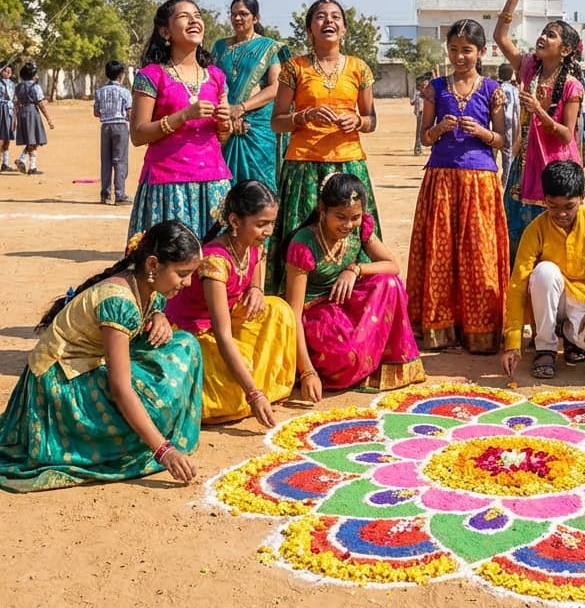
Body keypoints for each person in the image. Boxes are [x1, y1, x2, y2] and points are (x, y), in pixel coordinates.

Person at [0, 221, 204, 492]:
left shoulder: (144, 286)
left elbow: (150, 312)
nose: (188, 283)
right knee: (152, 403)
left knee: (186, 344)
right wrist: (163, 450)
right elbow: (121, 389)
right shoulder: (118, 302)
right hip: (61, 386)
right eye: (183, 274)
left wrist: (159, 315)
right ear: (153, 265)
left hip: (89, 367)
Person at [407, 21, 508, 353]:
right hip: (441, 178)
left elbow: (502, 140)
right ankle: (440, 328)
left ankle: (480, 330)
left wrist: (481, 132)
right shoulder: (435, 88)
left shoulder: (492, 89)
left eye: (467, 50)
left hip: (480, 180)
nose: (459, 56)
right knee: (440, 252)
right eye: (453, 50)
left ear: (481, 52)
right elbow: (425, 136)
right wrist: (439, 130)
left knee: (479, 254)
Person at [268, 0, 378, 293]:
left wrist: (358, 121)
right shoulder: (294, 68)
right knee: (301, 236)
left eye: (335, 17)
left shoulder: (359, 68)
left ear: (344, 28)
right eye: (320, 16)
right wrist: (304, 116)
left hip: (348, 163)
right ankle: (297, 301)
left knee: (352, 232)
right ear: (309, 29)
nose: (328, 21)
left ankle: (353, 295)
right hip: (304, 165)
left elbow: (371, 120)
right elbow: (277, 121)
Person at [165, 180, 296, 425]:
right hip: (199, 332)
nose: (268, 231)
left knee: (279, 310)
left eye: (271, 223)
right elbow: (222, 334)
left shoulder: (252, 242)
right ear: (235, 222)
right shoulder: (215, 261)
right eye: (261, 224)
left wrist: (256, 288)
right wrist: (253, 393)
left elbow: (257, 260)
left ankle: (259, 384)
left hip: (229, 315)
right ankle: (252, 389)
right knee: (232, 389)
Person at [285, 173, 425, 398]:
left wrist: (355, 269)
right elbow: (293, 311)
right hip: (316, 316)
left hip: (345, 303)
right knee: (346, 354)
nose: (348, 225)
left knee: (390, 284)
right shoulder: (303, 245)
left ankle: (384, 361)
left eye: (355, 217)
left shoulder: (360, 230)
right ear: (323, 209)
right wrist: (307, 371)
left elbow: (392, 266)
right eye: (340, 217)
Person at [493, 0, 584, 260]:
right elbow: (500, 37)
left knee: (550, 243)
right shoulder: (528, 68)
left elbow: (567, 135)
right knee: (514, 236)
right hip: (524, 165)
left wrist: (539, 111)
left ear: (565, 50)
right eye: (543, 32)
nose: (542, 37)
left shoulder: (572, 86)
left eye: (551, 35)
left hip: (554, 170)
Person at [128, 0, 233, 240]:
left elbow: (222, 137)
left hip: (214, 183)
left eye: (197, 16)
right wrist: (184, 115)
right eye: (184, 16)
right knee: (171, 257)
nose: (194, 20)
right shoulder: (151, 76)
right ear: (165, 32)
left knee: (213, 257)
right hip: (168, 185)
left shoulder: (216, 76)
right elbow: (138, 135)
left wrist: (225, 123)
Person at [502, 161, 585, 381]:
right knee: (545, 272)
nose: (561, 214)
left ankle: (567, 333)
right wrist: (513, 342)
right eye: (553, 206)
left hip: (583, 297)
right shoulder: (536, 229)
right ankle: (545, 347)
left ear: (583, 197)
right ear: (545, 200)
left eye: (569, 206)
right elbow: (518, 284)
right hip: (547, 296)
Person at [212, 0, 290, 193]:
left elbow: (276, 87)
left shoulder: (268, 47)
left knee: (260, 187)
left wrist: (241, 108)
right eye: (233, 14)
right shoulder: (219, 47)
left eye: (243, 14)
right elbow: (212, 82)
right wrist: (228, 114)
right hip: (224, 122)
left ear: (256, 18)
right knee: (224, 187)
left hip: (257, 126)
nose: (237, 18)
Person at [94, 59, 132, 205]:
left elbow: (96, 112)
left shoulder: (100, 91)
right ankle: (120, 194)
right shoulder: (125, 92)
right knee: (120, 160)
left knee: (106, 160)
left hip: (105, 127)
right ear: (121, 75)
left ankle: (105, 194)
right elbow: (129, 112)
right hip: (120, 126)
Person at [14, 62, 54, 175]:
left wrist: (14, 119)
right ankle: (31, 166)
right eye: (35, 74)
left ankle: (25, 161)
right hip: (32, 112)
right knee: (33, 139)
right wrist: (49, 119)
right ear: (32, 75)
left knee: (31, 139)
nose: (36, 76)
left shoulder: (18, 86)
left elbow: (16, 103)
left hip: (21, 112)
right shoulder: (35, 86)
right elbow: (40, 103)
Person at [497, 62, 520, 186]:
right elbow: (517, 112)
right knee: (508, 158)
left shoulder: (494, 88)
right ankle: (505, 185)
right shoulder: (515, 91)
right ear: (511, 75)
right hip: (509, 127)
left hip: (494, 129)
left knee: (491, 156)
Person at [410, 73, 430, 156]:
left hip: (429, 113)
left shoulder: (429, 91)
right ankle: (418, 149)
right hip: (421, 114)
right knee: (419, 132)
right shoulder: (417, 92)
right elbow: (412, 102)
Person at [0, 63, 15, 171]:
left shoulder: (12, 84)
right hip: (1, 109)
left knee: (8, 136)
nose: (8, 72)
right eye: (5, 70)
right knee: (0, 136)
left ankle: (5, 163)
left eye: (10, 70)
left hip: (9, 110)